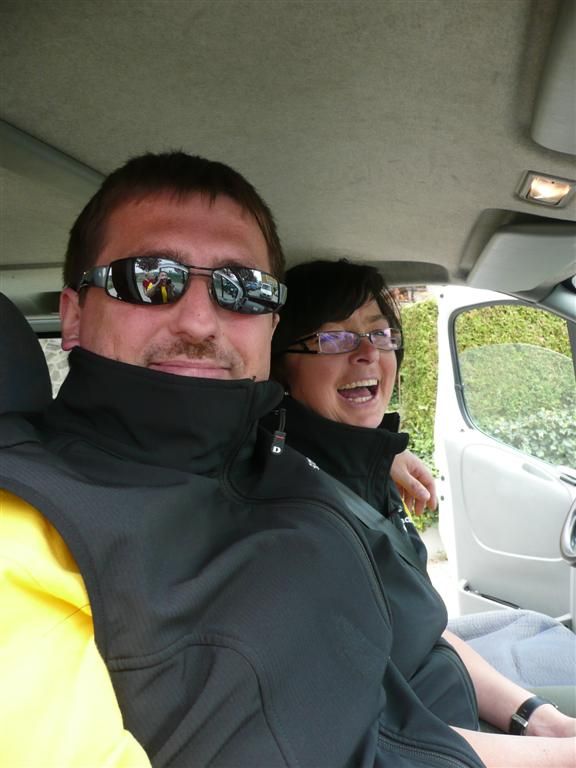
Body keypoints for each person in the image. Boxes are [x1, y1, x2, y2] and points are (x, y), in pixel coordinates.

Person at [0, 152, 569, 768]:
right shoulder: (25, 533)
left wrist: (536, 719)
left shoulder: (273, 468)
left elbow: (401, 667)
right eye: (148, 278)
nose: (199, 320)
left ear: (269, 326)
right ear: (74, 315)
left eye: (242, 289)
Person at [269, 258, 576, 766]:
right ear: (280, 365)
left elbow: (424, 631)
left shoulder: (364, 472)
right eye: (335, 338)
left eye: (380, 333)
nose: (368, 352)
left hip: (460, 714)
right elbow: (376, 740)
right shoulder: (296, 520)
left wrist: (541, 719)